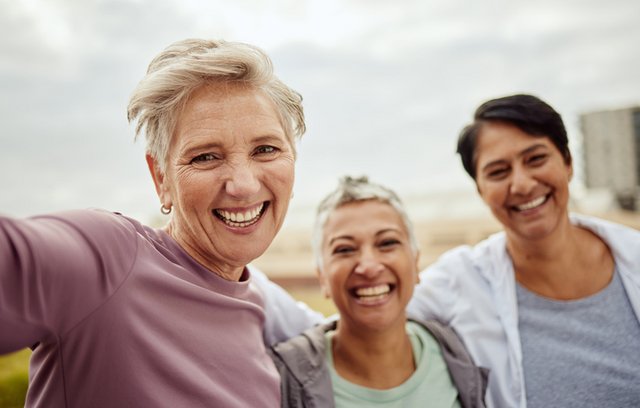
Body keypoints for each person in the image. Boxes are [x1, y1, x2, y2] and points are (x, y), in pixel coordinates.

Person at [0, 38, 323, 407]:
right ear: (161, 179)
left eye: (265, 149)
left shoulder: (263, 318)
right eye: (205, 157)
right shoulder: (108, 262)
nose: (244, 184)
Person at [407, 94, 640, 407]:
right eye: (499, 172)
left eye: (535, 159)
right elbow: (352, 326)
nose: (522, 183)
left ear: (568, 163)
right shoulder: (460, 280)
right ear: (480, 189)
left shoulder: (632, 254)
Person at [269, 176, 488, 407]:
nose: (369, 266)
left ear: (415, 263)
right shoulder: (283, 380)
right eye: (345, 249)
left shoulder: (459, 355)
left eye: (387, 243)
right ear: (322, 276)